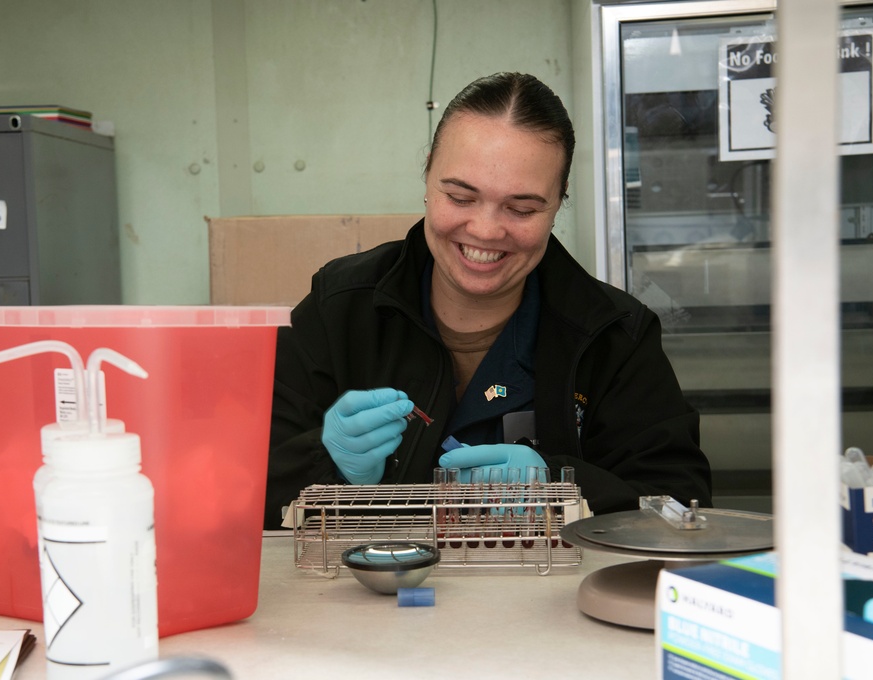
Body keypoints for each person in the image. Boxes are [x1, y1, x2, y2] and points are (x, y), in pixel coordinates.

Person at [264, 72, 712, 529]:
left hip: (554, 599)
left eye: (521, 209)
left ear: (559, 202)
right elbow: (240, 487)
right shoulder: (338, 307)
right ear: (427, 177)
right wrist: (331, 466)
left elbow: (682, 505)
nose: (485, 230)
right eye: (460, 196)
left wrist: (565, 490)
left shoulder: (614, 336)